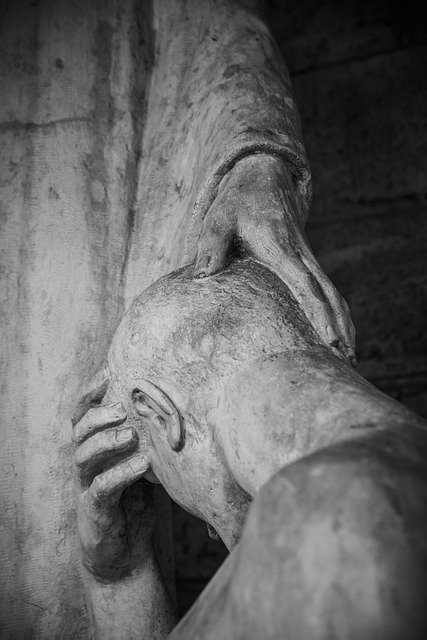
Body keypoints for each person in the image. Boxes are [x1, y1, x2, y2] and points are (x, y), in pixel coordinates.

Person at [73, 258, 427, 639]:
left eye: (157, 476)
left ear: (159, 411)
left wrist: (116, 583)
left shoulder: (332, 525)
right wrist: (122, 575)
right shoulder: (373, 488)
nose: (208, 530)